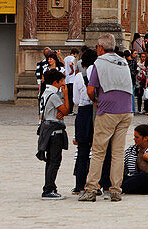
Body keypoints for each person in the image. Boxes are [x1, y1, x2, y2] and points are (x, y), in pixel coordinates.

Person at [80, 34, 134, 203]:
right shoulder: (123, 61)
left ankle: (90, 189)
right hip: (126, 110)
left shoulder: (99, 63)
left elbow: (90, 89)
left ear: (101, 48)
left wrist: (96, 101)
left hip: (108, 110)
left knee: (98, 151)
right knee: (118, 153)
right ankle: (116, 190)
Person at [38, 68, 70, 199]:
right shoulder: (54, 95)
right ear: (56, 82)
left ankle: (50, 186)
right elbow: (66, 110)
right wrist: (66, 95)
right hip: (54, 132)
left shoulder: (45, 93)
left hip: (46, 128)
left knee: (50, 160)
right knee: (55, 161)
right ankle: (48, 189)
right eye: (62, 81)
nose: (63, 84)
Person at [71, 48, 96, 195]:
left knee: (82, 151)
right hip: (95, 112)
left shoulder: (79, 77)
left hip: (82, 113)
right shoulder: (97, 74)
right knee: (98, 151)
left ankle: (79, 184)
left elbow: (75, 100)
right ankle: (96, 183)